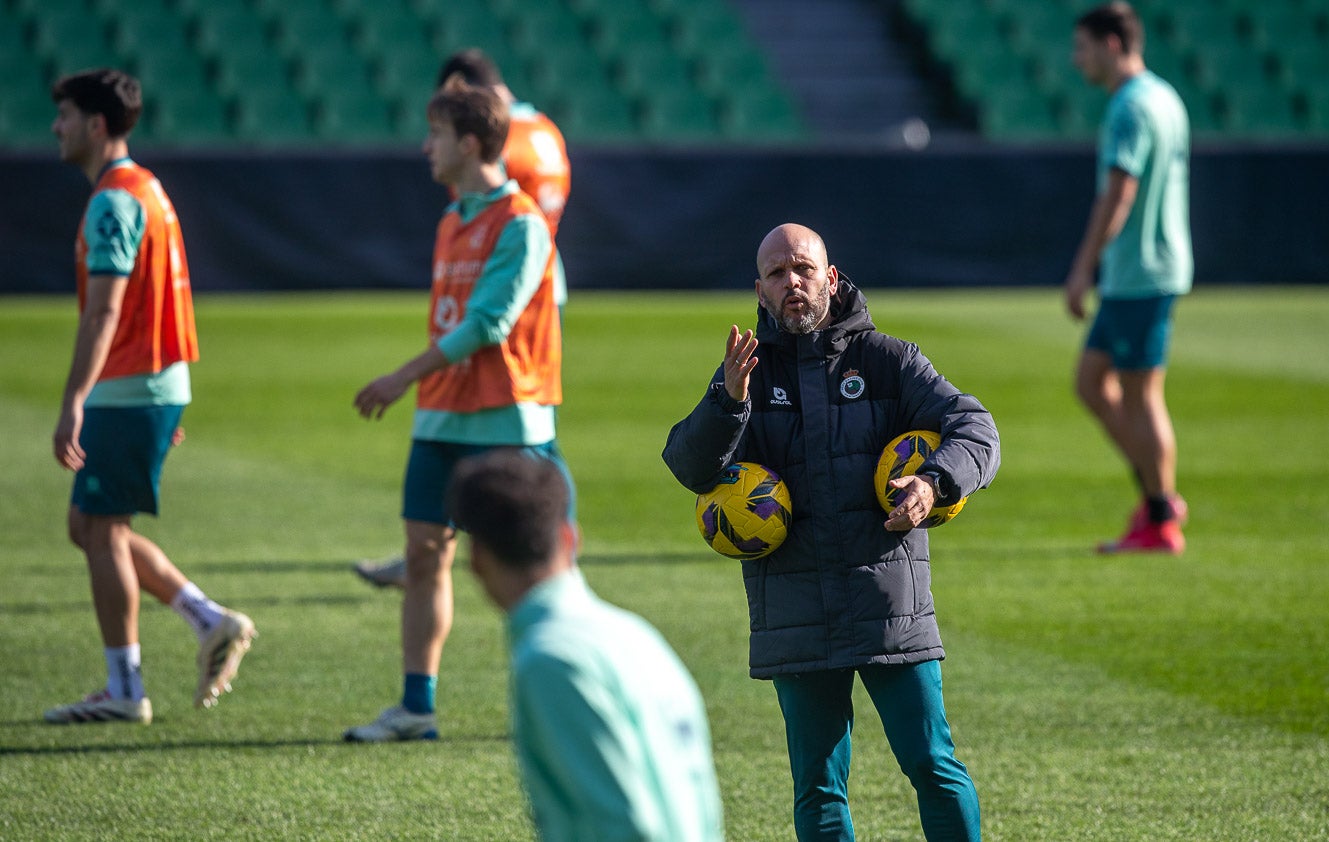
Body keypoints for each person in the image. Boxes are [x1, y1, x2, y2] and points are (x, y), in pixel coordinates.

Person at [662, 224, 1001, 841]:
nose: (792, 282)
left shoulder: (889, 361)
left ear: (831, 277)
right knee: (818, 789)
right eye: (776, 274)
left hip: (888, 603)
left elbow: (977, 429)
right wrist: (727, 400)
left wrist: (932, 484)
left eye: (803, 269)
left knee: (933, 765)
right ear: (759, 291)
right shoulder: (746, 377)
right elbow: (688, 466)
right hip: (796, 607)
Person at [344, 83, 567, 742]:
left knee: (526, 568)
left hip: (505, 416)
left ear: (468, 143)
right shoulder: (451, 219)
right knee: (423, 556)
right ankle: (417, 707)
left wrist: (400, 376)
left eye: (435, 134)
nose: (425, 146)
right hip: (442, 417)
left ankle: (556, 700)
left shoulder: (522, 222)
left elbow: (489, 325)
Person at [44, 69, 256, 725]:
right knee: (89, 526)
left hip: (131, 382)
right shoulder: (147, 190)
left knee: (101, 529)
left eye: (67, 115)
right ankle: (208, 619)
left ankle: (124, 687)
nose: (56, 126)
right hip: (149, 383)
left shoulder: (114, 200)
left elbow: (105, 313)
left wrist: (75, 398)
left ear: (97, 125)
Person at [353, 47, 572, 590]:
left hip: (510, 271)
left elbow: (492, 205)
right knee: (536, 431)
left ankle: (550, 541)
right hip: (544, 273)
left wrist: (404, 374)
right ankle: (538, 535)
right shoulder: (546, 130)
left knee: (527, 433)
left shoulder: (499, 151)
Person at [449, 449, 724, 841]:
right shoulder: (636, 635)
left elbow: (622, 823)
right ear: (569, 537)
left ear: (476, 558)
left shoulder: (552, 660)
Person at [1065, 1, 1192, 554]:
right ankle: (1157, 492)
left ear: (1111, 44)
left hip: (1140, 270)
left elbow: (1121, 190)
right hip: (1145, 269)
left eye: (1083, 47)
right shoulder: (1164, 96)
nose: (1077, 60)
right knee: (1092, 384)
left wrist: (1083, 266)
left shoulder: (1130, 108)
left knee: (1142, 396)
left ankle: (1161, 516)